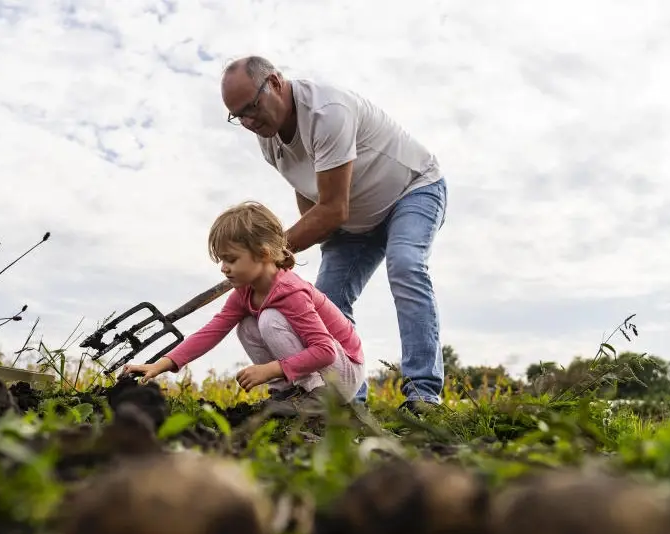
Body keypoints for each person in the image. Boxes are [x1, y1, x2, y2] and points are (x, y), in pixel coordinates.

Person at [219, 55, 448, 414]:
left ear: (276, 84)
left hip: (411, 190)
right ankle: (344, 400)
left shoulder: (327, 112)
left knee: (405, 265)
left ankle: (424, 393)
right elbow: (306, 189)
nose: (248, 121)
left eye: (251, 107)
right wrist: (281, 257)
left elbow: (332, 209)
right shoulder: (268, 138)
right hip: (353, 219)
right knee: (326, 299)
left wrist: (268, 255)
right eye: (238, 116)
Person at [123, 201, 367, 416]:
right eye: (221, 260)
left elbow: (326, 351)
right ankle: (286, 393)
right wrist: (162, 364)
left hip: (343, 375)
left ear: (263, 254)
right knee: (247, 326)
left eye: (231, 259)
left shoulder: (292, 292)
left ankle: (316, 395)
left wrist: (272, 369)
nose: (223, 268)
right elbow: (212, 331)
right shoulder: (245, 293)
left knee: (269, 319)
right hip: (323, 368)